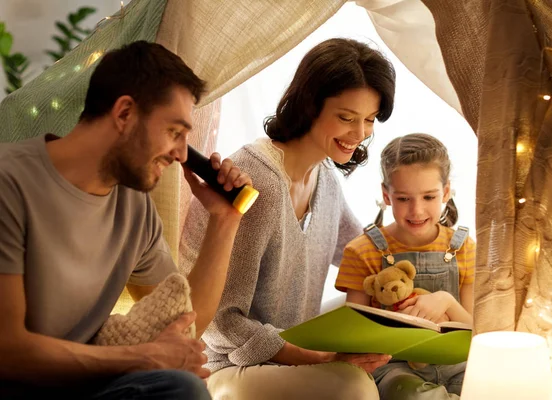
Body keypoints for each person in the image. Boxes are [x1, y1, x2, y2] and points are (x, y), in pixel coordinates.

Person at [0, 40, 252, 399]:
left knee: (180, 385)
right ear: (124, 114)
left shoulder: (134, 207)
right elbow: (7, 349)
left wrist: (224, 219)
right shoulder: (9, 182)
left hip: (84, 390)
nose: (182, 154)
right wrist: (142, 356)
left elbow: (185, 323)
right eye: (174, 132)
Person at [179, 38, 396, 400]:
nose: (360, 135)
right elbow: (222, 322)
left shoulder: (323, 175)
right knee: (354, 387)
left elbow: (364, 254)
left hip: (288, 351)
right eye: (346, 118)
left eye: (369, 120)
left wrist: (422, 243)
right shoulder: (258, 181)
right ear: (310, 106)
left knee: (372, 314)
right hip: (226, 366)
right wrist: (320, 358)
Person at [335, 133, 476, 399]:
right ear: (386, 195)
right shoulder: (361, 251)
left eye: (429, 197)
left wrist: (446, 301)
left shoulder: (465, 248)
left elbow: (473, 334)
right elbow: (354, 337)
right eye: (403, 199)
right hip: (395, 370)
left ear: (445, 192)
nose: (416, 211)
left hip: (458, 367)